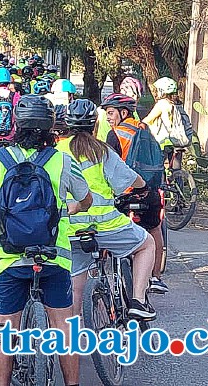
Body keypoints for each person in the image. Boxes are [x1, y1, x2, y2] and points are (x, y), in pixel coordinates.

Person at [0, 95, 93, 386]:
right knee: (64, 325)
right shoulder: (62, 161)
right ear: (52, 127)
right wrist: (72, 208)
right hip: (53, 256)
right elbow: (85, 199)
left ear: (16, 124)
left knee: (6, 328)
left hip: (9, 259)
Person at [58, 99, 157, 320]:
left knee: (75, 287)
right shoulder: (101, 151)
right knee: (146, 244)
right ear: (95, 125)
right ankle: (139, 300)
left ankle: (72, 343)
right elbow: (129, 178)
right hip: (108, 227)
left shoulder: (57, 152)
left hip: (70, 229)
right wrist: (144, 188)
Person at [101, 93, 168, 294]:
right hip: (148, 192)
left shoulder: (115, 135)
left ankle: (104, 274)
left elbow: (108, 167)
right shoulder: (145, 130)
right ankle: (155, 277)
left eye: (111, 113)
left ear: (123, 112)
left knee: (108, 227)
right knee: (154, 228)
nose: (108, 117)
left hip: (124, 194)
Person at [143, 76, 182, 169]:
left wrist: (139, 124)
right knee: (176, 169)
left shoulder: (161, 104)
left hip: (163, 142)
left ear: (162, 91)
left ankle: (162, 183)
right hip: (177, 141)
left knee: (158, 167)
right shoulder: (177, 104)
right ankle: (178, 182)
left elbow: (148, 119)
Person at [95, 76, 143, 142]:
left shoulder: (102, 110)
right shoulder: (131, 112)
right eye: (133, 97)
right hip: (112, 147)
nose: (135, 102)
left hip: (104, 147)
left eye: (137, 99)